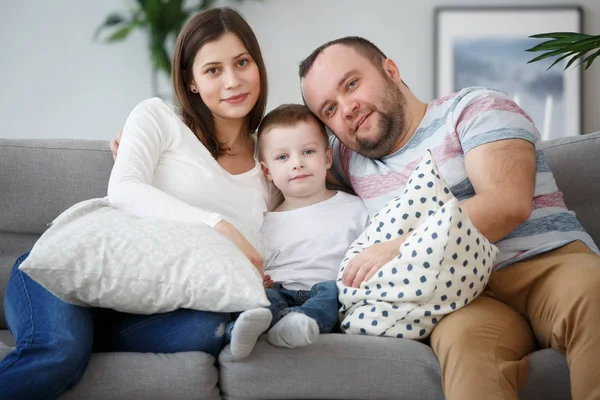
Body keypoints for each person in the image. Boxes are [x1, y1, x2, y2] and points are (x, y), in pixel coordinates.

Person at [298, 36, 600, 400]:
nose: (345, 108)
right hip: (459, 297)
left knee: (592, 292)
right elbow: (269, 157)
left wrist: (400, 248)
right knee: (465, 349)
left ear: (390, 70)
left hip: (545, 263)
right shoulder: (345, 159)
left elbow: (507, 203)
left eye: (351, 84)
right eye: (329, 109)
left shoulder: (473, 108)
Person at [0, 7, 279, 400]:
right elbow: (126, 189)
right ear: (192, 81)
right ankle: (68, 339)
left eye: (242, 62)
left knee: (212, 327)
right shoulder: (159, 117)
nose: (233, 81)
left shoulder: (273, 162)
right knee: (59, 351)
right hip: (65, 271)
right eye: (213, 69)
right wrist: (221, 226)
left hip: (148, 305)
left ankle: (82, 337)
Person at [224, 103, 369, 359]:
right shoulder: (263, 221)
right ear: (267, 171)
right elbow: (253, 264)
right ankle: (246, 328)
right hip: (278, 289)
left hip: (324, 289)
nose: (297, 163)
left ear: (327, 158)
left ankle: (296, 324)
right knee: (258, 299)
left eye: (308, 151)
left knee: (330, 295)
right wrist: (258, 280)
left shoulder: (355, 207)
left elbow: (368, 253)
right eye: (283, 157)